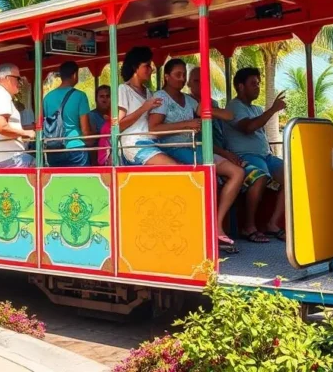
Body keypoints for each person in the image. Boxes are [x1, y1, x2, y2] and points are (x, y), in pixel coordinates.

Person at [150, 59, 246, 252]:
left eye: (183, 75)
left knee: (237, 172)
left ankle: (217, 226)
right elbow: (154, 129)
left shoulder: (189, 100)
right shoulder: (161, 97)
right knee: (206, 178)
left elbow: (228, 116)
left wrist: (204, 97)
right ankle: (202, 230)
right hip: (174, 149)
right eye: (178, 74)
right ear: (167, 77)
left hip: (195, 149)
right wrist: (186, 124)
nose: (182, 78)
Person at [225, 67, 287, 243]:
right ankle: (249, 227)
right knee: (259, 176)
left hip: (265, 156)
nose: (257, 87)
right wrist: (273, 109)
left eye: (259, 84)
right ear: (240, 86)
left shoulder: (256, 109)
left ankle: (273, 223)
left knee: (291, 177)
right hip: (244, 156)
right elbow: (248, 127)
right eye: (253, 84)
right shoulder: (234, 106)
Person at [116, 46, 172, 165]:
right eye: (146, 66)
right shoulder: (124, 89)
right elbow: (118, 125)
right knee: (173, 167)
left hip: (153, 142)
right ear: (135, 67)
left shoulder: (149, 92)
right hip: (134, 143)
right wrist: (144, 108)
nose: (151, 69)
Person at [0, 63, 36, 168]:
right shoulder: (2, 95)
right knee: (40, 165)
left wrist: (32, 128)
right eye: (18, 79)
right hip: (8, 157)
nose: (20, 83)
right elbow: (0, 127)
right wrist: (25, 133)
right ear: (8, 78)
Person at [43, 60, 91, 166]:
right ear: (74, 75)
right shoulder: (80, 96)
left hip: (54, 149)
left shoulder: (47, 98)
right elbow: (85, 129)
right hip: (75, 147)